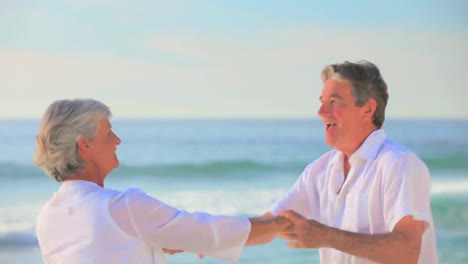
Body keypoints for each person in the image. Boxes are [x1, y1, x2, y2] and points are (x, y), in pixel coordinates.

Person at [34, 99, 291, 264]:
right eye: (108, 132)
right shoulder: (121, 206)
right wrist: (277, 225)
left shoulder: (47, 216)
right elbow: (205, 232)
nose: (117, 140)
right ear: (85, 145)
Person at [271, 61, 438, 263]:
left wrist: (326, 236)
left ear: (368, 109)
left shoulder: (400, 164)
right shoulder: (319, 171)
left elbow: (407, 251)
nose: (321, 111)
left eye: (333, 101)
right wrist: (222, 231)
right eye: (322, 101)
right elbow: (271, 222)